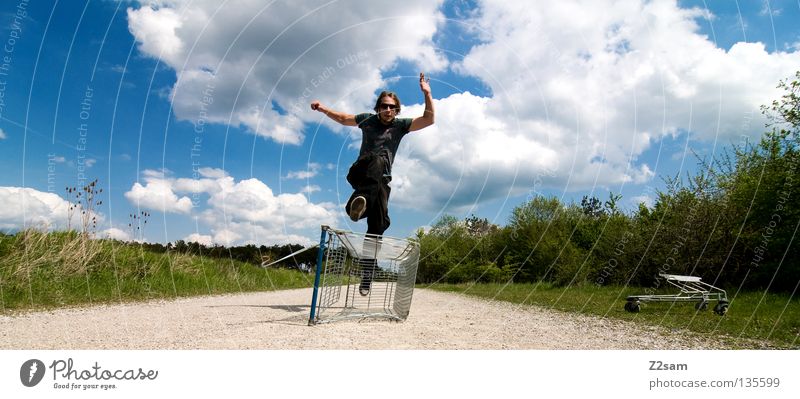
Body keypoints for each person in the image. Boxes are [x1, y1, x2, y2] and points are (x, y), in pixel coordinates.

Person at [311, 72, 434, 295]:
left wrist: (427, 94)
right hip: (361, 171)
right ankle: (357, 204)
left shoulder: (400, 125)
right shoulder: (367, 120)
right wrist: (322, 108)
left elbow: (428, 120)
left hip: (381, 183)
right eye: (385, 106)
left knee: (378, 226)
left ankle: (366, 275)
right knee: (378, 159)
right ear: (378, 107)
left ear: (397, 110)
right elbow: (342, 118)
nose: (388, 111)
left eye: (393, 108)